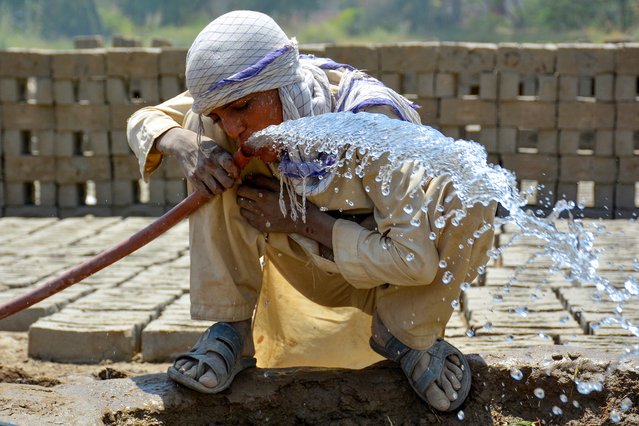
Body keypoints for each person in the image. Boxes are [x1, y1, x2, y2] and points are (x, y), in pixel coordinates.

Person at [127, 10, 495, 412]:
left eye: (243, 108)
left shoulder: (371, 124)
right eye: (222, 114)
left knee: (473, 186)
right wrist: (184, 143)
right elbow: (144, 119)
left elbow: (416, 261)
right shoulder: (234, 92)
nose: (233, 128)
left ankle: (407, 335)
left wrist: (302, 221)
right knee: (205, 145)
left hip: (391, 283)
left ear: (281, 87)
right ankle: (230, 330)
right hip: (305, 267)